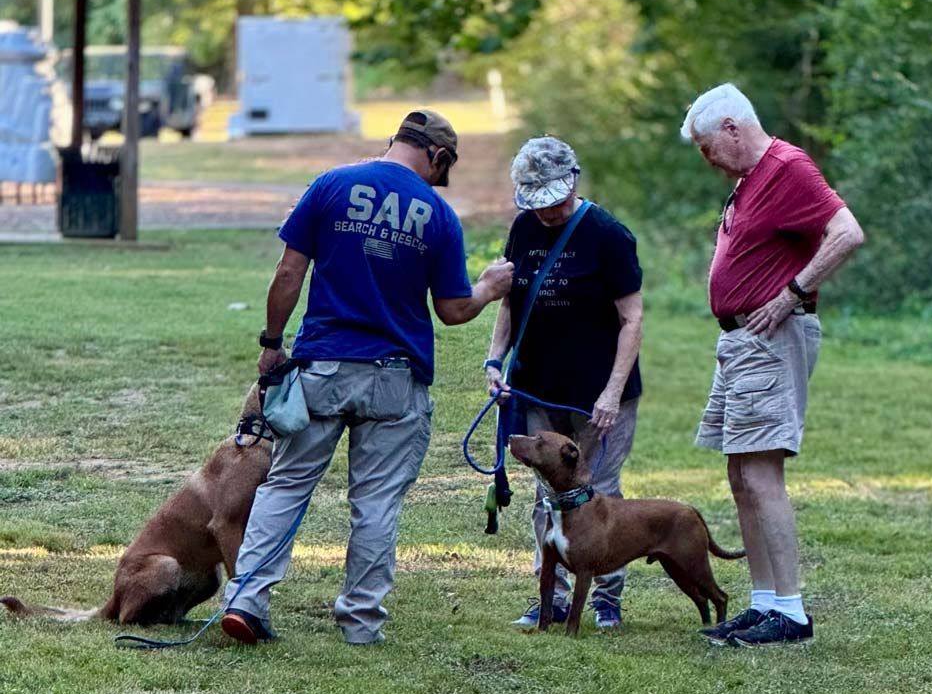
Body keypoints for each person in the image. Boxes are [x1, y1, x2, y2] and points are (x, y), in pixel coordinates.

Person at [221, 109, 514, 646]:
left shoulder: (331, 185)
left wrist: (271, 343)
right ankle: (360, 622)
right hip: (394, 379)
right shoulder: (439, 215)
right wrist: (490, 287)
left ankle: (246, 599)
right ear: (439, 156)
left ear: (394, 141)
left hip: (322, 366)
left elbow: (288, 272)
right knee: (375, 503)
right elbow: (452, 310)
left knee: (286, 485)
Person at [680, 83, 864, 647]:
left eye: (710, 147)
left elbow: (846, 233)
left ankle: (791, 611)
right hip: (740, 342)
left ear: (734, 127)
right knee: (740, 475)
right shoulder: (749, 181)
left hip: (770, 339)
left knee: (762, 475)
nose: (709, 160)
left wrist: (790, 294)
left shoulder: (787, 167)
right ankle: (764, 603)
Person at [484, 136, 643, 630]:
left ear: (573, 181)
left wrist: (613, 392)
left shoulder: (608, 234)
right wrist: (495, 361)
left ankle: (605, 598)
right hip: (537, 385)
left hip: (597, 392)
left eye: (554, 200)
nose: (547, 212)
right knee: (545, 494)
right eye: (538, 202)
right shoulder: (523, 228)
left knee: (600, 492)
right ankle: (549, 596)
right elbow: (511, 303)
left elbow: (631, 319)